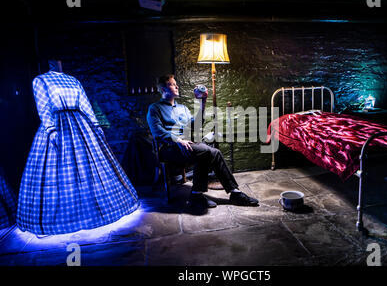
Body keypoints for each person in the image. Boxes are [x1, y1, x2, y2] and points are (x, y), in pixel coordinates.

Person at [17, 60, 139, 235]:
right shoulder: (40, 80)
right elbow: (42, 107)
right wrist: (51, 130)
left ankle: (97, 211)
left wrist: (96, 126)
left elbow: (85, 104)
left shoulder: (73, 80)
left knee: (91, 169)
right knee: (59, 172)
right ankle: (64, 219)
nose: (57, 63)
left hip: (80, 124)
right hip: (58, 125)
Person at [147, 74, 259, 209]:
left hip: (188, 145)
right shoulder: (155, 108)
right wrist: (178, 140)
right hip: (169, 148)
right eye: (172, 84)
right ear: (164, 89)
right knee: (206, 151)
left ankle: (233, 193)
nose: (177, 86)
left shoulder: (182, 108)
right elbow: (157, 132)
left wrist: (202, 102)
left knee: (214, 152)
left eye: (176, 83)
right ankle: (197, 196)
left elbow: (196, 125)